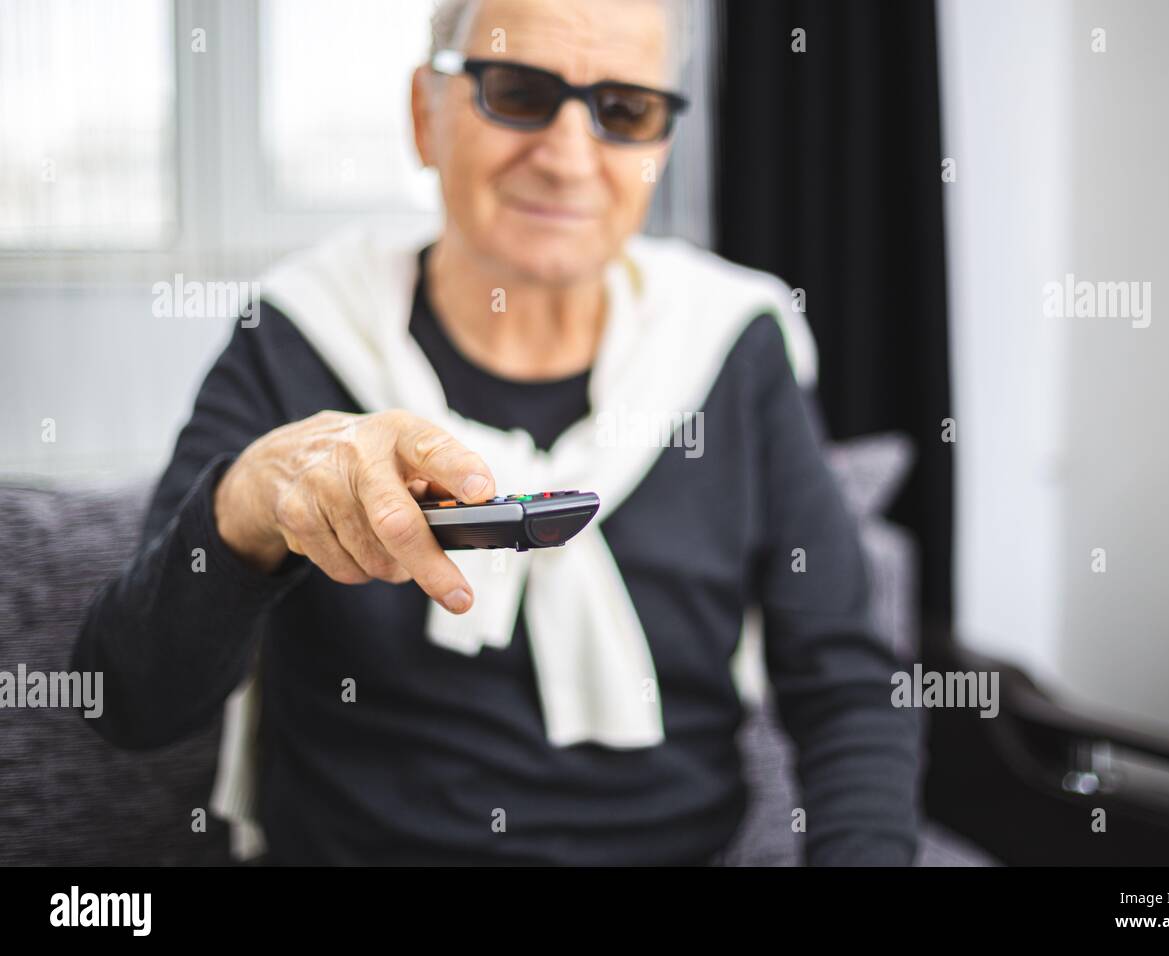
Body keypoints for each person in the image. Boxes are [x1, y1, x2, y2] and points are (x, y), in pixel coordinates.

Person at [72, 0, 920, 865]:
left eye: (624, 111)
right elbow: (125, 700)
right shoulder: (301, 335)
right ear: (424, 115)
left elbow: (849, 687)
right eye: (516, 92)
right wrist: (244, 508)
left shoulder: (734, 344)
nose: (565, 158)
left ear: (660, 144)